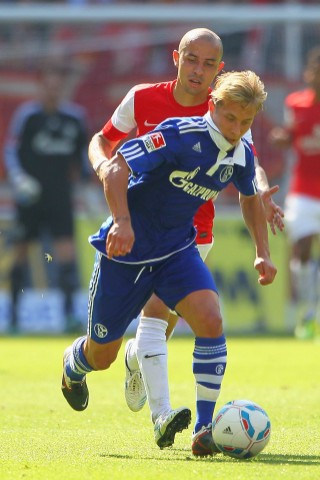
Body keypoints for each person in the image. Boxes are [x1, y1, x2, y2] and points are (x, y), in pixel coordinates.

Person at [61, 69, 277, 457]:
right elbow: (115, 168)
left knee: (210, 319)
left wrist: (262, 250)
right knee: (102, 355)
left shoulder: (240, 152)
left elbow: (248, 197)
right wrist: (123, 224)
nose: (236, 128)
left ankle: (204, 428)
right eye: (231, 118)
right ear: (214, 104)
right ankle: (74, 364)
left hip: (177, 250)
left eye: (246, 122)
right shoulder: (179, 134)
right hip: (126, 253)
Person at [4, 62, 90, 332]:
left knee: (66, 256)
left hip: (59, 199)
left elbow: (82, 161)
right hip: (29, 199)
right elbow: (11, 152)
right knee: (19, 256)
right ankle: (14, 317)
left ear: (62, 87)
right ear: (41, 86)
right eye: (48, 84)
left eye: (57, 85)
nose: (53, 90)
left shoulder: (74, 119)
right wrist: (19, 178)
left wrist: (88, 190)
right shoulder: (28, 117)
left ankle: (68, 316)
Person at [269, 46, 320, 339]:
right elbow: (289, 134)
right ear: (308, 75)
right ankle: (307, 309)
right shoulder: (296, 104)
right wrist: (282, 138)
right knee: (301, 248)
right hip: (303, 190)